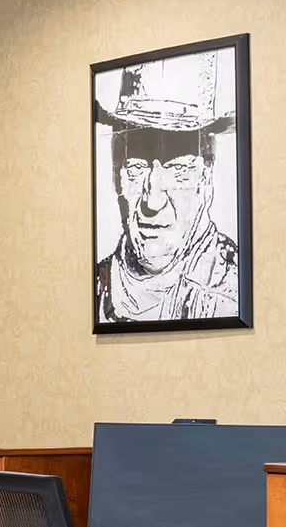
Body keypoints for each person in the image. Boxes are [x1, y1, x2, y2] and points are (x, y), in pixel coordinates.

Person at [96, 50, 239, 323]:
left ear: (206, 180)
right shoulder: (97, 287)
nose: (153, 201)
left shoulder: (228, 293)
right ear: (118, 177)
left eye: (178, 168)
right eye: (136, 167)